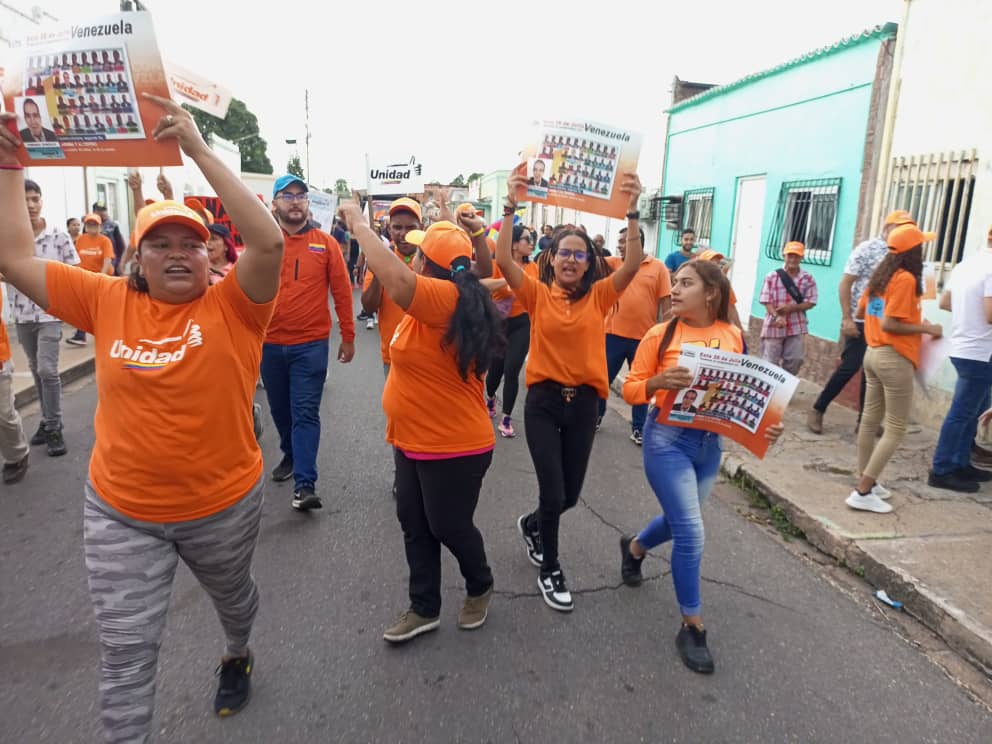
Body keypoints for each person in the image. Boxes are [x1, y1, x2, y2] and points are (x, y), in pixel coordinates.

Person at [0, 95, 284, 740]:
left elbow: (267, 240)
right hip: (121, 512)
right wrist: (10, 165)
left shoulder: (236, 307)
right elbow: (13, 259)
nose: (178, 253)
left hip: (222, 507)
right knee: (126, 655)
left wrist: (200, 152)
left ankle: (236, 649)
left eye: (193, 243)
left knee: (234, 598)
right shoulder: (104, 300)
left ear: (214, 259)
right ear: (138, 259)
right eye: (161, 243)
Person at [339, 204, 500, 643]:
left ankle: (480, 584)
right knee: (413, 520)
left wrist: (357, 224)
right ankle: (425, 606)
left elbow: (397, 279)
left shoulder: (442, 298)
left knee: (448, 525)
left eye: (418, 253)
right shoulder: (449, 296)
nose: (411, 257)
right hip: (411, 439)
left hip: (454, 446)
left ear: (430, 264)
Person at [619, 259, 784, 673]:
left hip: (710, 445)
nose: (674, 290)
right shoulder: (659, 334)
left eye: (686, 284)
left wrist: (769, 426)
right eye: (674, 283)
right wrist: (657, 383)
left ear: (711, 293)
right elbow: (632, 391)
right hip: (667, 441)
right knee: (691, 533)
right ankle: (692, 627)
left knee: (678, 523)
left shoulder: (732, 334)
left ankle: (635, 547)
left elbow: (745, 395)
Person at [500, 166, 644, 612]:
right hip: (543, 403)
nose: (570, 260)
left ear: (589, 262)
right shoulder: (536, 295)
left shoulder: (601, 296)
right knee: (551, 491)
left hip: (584, 403)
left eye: (579, 255)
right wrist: (510, 205)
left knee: (569, 496)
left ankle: (532, 525)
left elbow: (635, 264)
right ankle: (551, 569)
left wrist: (634, 210)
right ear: (551, 257)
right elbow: (505, 261)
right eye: (563, 252)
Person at [262, 173, 355, 511]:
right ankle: (290, 453)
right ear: (275, 204)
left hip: (310, 345)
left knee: (304, 412)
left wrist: (348, 335)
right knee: (280, 410)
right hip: (268, 344)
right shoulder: (264, 242)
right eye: (288, 196)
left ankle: (305, 483)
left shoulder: (325, 243)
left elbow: (343, 292)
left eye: (301, 196)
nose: (296, 201)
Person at [850, 224, 943, 513]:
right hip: (893, 358)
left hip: (873, 353)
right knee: (895, 428)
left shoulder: (881, 276)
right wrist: (926, 327)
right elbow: (892, 323)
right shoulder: (903, 279)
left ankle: (867, 480)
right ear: (913, 251)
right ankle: (863, 491)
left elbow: (861, 312)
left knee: (869, 422)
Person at [807, 211, 916, 435]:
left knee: (872, 371)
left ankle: (864, 422)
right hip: (859, 319)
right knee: (850, 366)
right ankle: (818, 408)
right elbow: (845, 283)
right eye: (899, 227)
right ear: (887, 228)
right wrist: (847, 318)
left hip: (885, 323)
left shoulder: (904, 254)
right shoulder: (867, 249)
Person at [7, 179, 78, 456]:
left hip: (50, 312)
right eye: (25, 199)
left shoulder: (58, 234)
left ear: (41, 200)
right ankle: (46, 421)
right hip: (23, 314)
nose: (31, 205)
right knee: (37, 369)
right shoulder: (9, 237)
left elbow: (75, 270)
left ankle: (55, 426)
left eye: (35, 198)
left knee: (48, 370)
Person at [927, 224, 992, 493]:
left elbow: (945, 303)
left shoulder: (966, 265)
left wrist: (969, 314)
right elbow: (990, 315)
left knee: (971, 411)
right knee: (962, 413)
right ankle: (941, 469)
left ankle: (961, 463)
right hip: (981, 351)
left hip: (964, 347)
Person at [597, 225, 672, 444]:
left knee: (641, 384)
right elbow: (590, 262)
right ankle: (596, 416)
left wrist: (666, 336)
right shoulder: (613, 264)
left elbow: (666, 304)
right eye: (618, 242)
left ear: (637, 242)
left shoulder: (658, 268)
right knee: (602, 381)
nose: (619, 246)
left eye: (623, 242)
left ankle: (639, 428)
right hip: (612, 335)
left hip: (644, 338)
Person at [362, 197, 423, 377]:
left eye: (410, 227)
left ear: (421, 228)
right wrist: (380, 273)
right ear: (389, 229)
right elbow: (368, 307)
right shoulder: (381, 260)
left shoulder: (433, 260)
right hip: (393, 356)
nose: (403, 233)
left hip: (430, 357)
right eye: (397, 227)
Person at [484, 223, 535, 438]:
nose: (531, 243)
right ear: (514, 244)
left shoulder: (535, 268)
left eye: (532, 239)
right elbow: (482, 284)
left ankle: (506, 419)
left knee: (512, 369)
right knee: (495, 371)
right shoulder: (499, 264)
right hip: (499, 322)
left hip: (523, 323)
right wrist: (507, 281)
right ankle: (490, 398)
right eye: (527, 239)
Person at [759, 241, 817, 375]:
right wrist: (776, 316)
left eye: (796, 256)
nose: (793, 259)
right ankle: (769, 392)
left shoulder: (807, 278)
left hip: (796, 326)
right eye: (790, 255)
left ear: (802, 258)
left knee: (795, 361)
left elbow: (811, 301)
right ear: (784, 256)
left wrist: (791, 308)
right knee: (769, 364)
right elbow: (766, 300)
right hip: (774, 325)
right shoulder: (772, 276)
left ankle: (784, 389)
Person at [66, 213, 114, 346]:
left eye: (95, 225)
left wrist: (102, 276)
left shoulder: (105, 241)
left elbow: (107, 259)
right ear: (85, 226)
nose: (92, 227)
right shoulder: (81, 240)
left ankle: (109, 333)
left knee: (100, 308)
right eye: (89, 224)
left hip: (101, 279)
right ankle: (81, 336)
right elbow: (74, 258)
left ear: (100, 226)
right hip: (84, 278)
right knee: (84, 307)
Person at [694, 250, 743, 331]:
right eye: (712, 264)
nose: (716, 267)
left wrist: (740, 330)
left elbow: (731, 308)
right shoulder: (693, 283)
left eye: (718, 264)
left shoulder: (724, 285)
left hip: (718, 328)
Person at [91, 200, 128, 275]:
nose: (102, 212)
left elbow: (121, 246)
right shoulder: (89, 225)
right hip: (93, 262)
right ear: (94, 212)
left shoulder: (113, 226)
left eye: (104, 210)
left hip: (111, 261)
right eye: (99, 210)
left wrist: (119, 262)